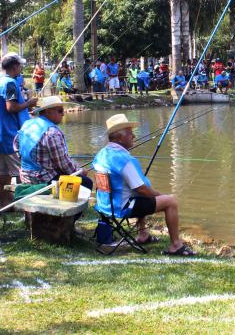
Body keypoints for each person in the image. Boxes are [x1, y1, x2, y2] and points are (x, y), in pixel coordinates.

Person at [93, 114, 194, 254]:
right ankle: (176, 245)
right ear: (120, 137)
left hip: (104, 205)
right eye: (130, 133)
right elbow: (142, 190)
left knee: (139, 196)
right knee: (170, 201)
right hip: (121, 207)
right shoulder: (124, 159)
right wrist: (159, 195)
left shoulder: (101, 154)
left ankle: (143, 234)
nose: (133, 136)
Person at [0, 53, 38, 206]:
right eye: (20, 66)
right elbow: (11, 107)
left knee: (4, 171)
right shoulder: (9, 83)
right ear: (14, 67)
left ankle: (6, 203)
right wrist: (29, 103)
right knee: (20, 171)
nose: (20, 69)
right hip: (10, 134)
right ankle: (24, 204)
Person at [15, 96, 93, 190]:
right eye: (60, 111)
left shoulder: (27, 124)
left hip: (25, 175)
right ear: (48, 112)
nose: (63, 114)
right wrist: (79, 171)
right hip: (42, 179)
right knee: (87, 182)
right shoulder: (52, 132)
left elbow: (16, 147)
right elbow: (63, 164)